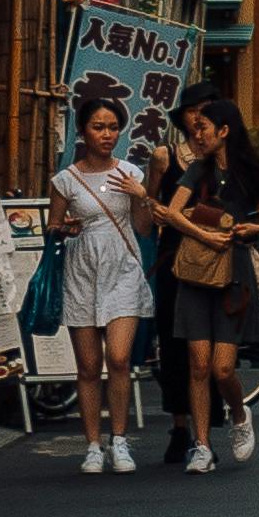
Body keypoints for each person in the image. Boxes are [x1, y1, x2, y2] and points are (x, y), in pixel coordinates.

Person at [156, 89, 259, 473]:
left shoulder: (252, 172)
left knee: (222, 369)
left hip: (234, 275)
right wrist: (205, 233)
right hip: (193, 272)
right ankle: (202, 446)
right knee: (197, 364)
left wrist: (254, 227)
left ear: (224, 130)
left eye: (204, 126)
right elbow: (169, 212)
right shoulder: (198, 169)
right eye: (195, 125)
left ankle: (240, 417)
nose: (198, 133)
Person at [49, 91, 159, 477]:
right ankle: (93, 445)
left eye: (113, 127)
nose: (107, 134)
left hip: (122, 269)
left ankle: (120, 440)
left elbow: (144, 230)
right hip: (82, 271)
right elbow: (53, 229)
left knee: (118, 358)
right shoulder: (66, 180)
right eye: (99, 127)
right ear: (83, 131)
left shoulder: (131, 174)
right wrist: (66, 228)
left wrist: (142, 197)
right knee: (88, 365)